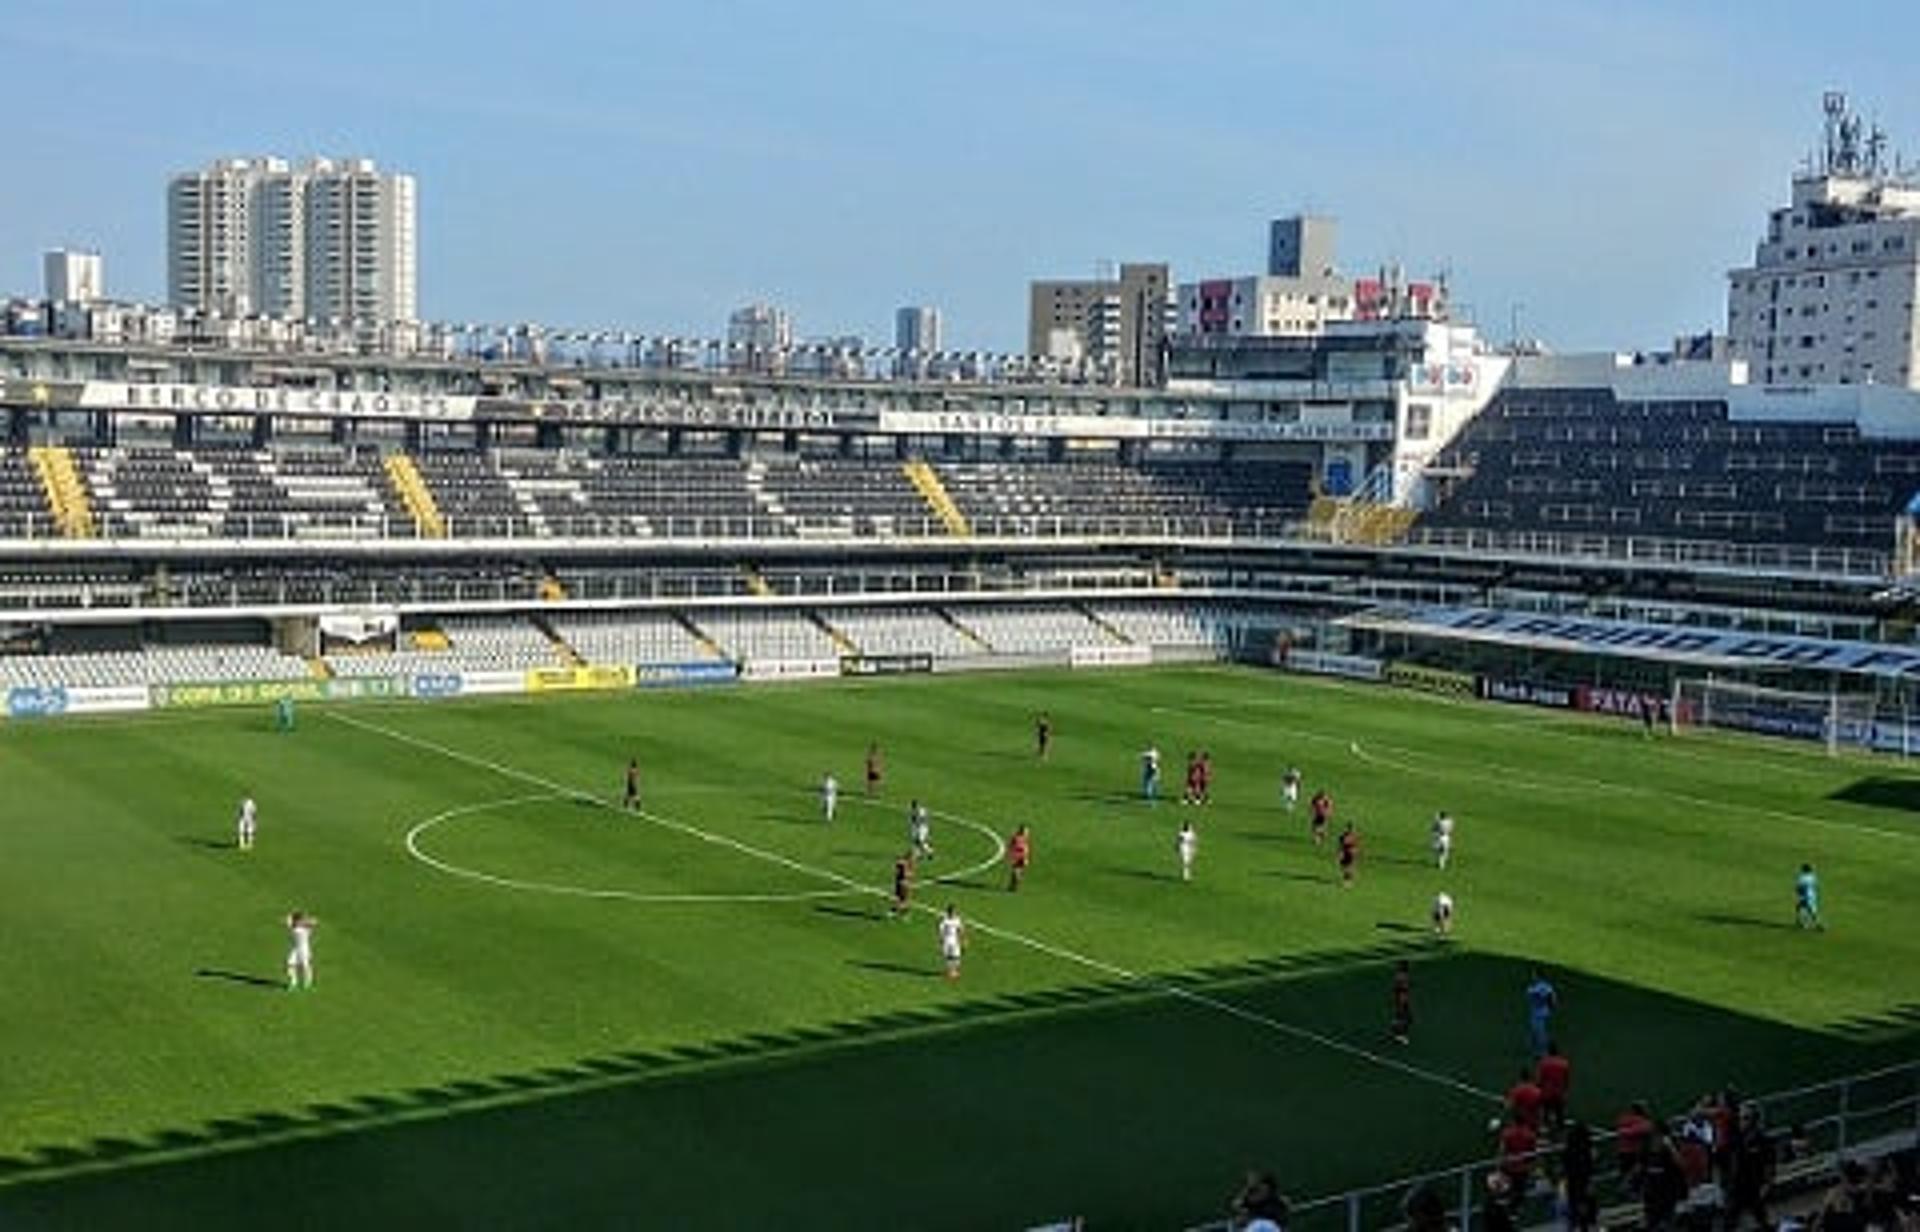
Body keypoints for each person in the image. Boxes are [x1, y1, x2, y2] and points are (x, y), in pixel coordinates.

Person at [1562, 1122, 1598, 1231]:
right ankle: (1585, 1225)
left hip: (1572, 1181)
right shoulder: (1585, 1150)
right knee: (1585, 1205)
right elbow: (1589, 1166)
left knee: (1576, 1204)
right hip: (1583, 1180)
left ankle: (1577, 1225)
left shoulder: (1569, 1150)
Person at [1537, 1040, 1572, 1133]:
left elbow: (1541, 1078)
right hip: (1559, 1092)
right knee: (1559, 1113)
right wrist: (1565, 1091)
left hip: (1547, 1092)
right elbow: (1566, 1079)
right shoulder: (1564, 1063)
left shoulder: (1544, 1063)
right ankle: (1561, 1130)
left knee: (1546, 1113)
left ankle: (1546, 1128)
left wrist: (1539, 1088)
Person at [1525, 968, 1558, 1058]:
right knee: (1534, 1031)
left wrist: (1549, 1006)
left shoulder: (1541, 987)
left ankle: (1543, 1052)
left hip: (1540, 1013)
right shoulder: (1543, 986)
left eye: (1534, 975)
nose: (1533, 977)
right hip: (1538, 1012)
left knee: (1540, 1033)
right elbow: (1553, 998)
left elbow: (1551, 998)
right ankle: (1533, 1049)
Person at [285, 910, 316, 990]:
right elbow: (288, 919)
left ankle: (308, 982)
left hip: (304, 948)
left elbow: (314, 922)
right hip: (295, 948)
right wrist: (301, 921)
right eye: (295, 920)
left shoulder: (306, 929)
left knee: (305, 966)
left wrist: (304, 922)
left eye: (296, 920)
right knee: (289, 964)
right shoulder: (293, 926)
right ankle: (293, 982)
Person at [1507, 1065, 1544, 1131]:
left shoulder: (1517, 1090)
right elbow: (1541, 1108)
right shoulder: (1537, 1090)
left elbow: (1509, 1105)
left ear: (1521, 1078)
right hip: (1534, 1121)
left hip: (1521, 1121)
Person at [938, 904, 965, 979]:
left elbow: (960, 930)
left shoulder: (957, 920)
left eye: (954, 911)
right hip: (947, 940)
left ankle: (954, 970)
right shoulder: (944, 920)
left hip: (954, 939)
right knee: (948, 956)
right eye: (952, 911)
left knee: (956, 956)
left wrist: (963, 939)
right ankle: (950, 971)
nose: (953, 913)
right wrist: (941, 940)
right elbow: (941, 931)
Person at [1389, 959, 1413, 1045]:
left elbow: (1402, 989)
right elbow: (1401, 990)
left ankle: (1398, 1032)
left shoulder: (1401, 977)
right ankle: (1399, 1035)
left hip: (1402, 998)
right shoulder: (1401, 978)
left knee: (1405, 1017)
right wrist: (1403, 999)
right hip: (1402, 999)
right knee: (1404, 1017)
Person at [1795, 862, 1822, 930]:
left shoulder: (1802, 878)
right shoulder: (1812, 877)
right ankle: (1802, 922)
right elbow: (1816, 886)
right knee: (1801, 908)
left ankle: (1816, 924)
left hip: (1805, 896)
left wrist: (1799, 894)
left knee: (1808, 910)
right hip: (1812, 896)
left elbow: (1798, 888)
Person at [888, 851, 914, 919]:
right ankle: (899, 912)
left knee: (902, 899)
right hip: (902, 882)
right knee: (900, 898)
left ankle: (899, 912)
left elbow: (907, 874)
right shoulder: (906, 864)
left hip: (903, 883)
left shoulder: (904, 864)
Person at [1007, 824, 1031, 891]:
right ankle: (1013, 885)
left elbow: (1027, 848)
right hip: (1016, 856)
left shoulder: (1025, 838)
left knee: (1018, 871)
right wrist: (1010, 854)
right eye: (1025, 831)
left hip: (1022, 856)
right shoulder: (1016, 837)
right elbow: (1011, 845)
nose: (1026, 833)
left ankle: (1014, 885)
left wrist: (1026, 858)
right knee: (1015, 872)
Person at [1337, 822, 1360, 887]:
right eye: (1350, 828)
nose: (1351, 829)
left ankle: (1348, 881)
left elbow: (1357, 845)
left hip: (1351, 853)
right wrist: (1340, 852)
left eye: (1352, 828)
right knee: (1344, 867)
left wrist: (1356, 852)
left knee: (1349, 867)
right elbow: (1340, 845)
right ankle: (1347, 880)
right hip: (1346, 852)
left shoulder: (1354, 836)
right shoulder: (1344, 835)